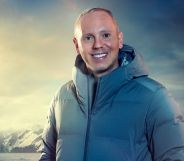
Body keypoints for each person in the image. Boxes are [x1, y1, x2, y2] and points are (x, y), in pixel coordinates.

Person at [39, 8, 184, 161]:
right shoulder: (61, 97)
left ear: (119, 39)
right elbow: (47, 156)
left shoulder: (155, 97)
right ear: (76, 45)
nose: (98, 45)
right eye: (88, 38)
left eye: (106, 35)